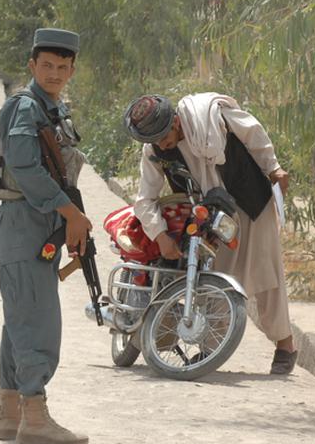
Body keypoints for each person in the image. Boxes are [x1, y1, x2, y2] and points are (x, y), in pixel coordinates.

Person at [123, 93, 297, 374]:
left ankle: (285, 347)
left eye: (164, 136)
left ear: (176, 121)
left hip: (252, 201)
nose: (161, 144)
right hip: (211, 214)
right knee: (215, 275)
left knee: (268, 273)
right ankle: (212, 348)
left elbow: (254, 133)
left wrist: (273, 167)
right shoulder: (154, 150)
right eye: (153, 140)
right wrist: (160, 236)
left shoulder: (212, 116)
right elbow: (145, 200)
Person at [0, 28, 90, 444]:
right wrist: (71, 214)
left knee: (20, 320)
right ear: (32, 66)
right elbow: (25, 168)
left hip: (41, 224)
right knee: (37, 322)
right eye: (47, 65)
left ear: (71, 70)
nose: (55, 73)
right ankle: (35, 416)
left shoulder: (54, 108)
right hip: (22, 221)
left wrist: (69, 220)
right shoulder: (25, 107)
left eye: (63, 67)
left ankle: (10, 414)